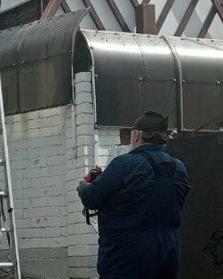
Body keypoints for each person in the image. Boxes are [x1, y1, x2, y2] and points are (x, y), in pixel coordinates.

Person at [77, 111, 192, 279]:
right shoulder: (179, 168)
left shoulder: (124, 164)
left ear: (137, 135)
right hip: (168, 252)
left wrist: (83, 186)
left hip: (126, 256)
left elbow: (92, 198)